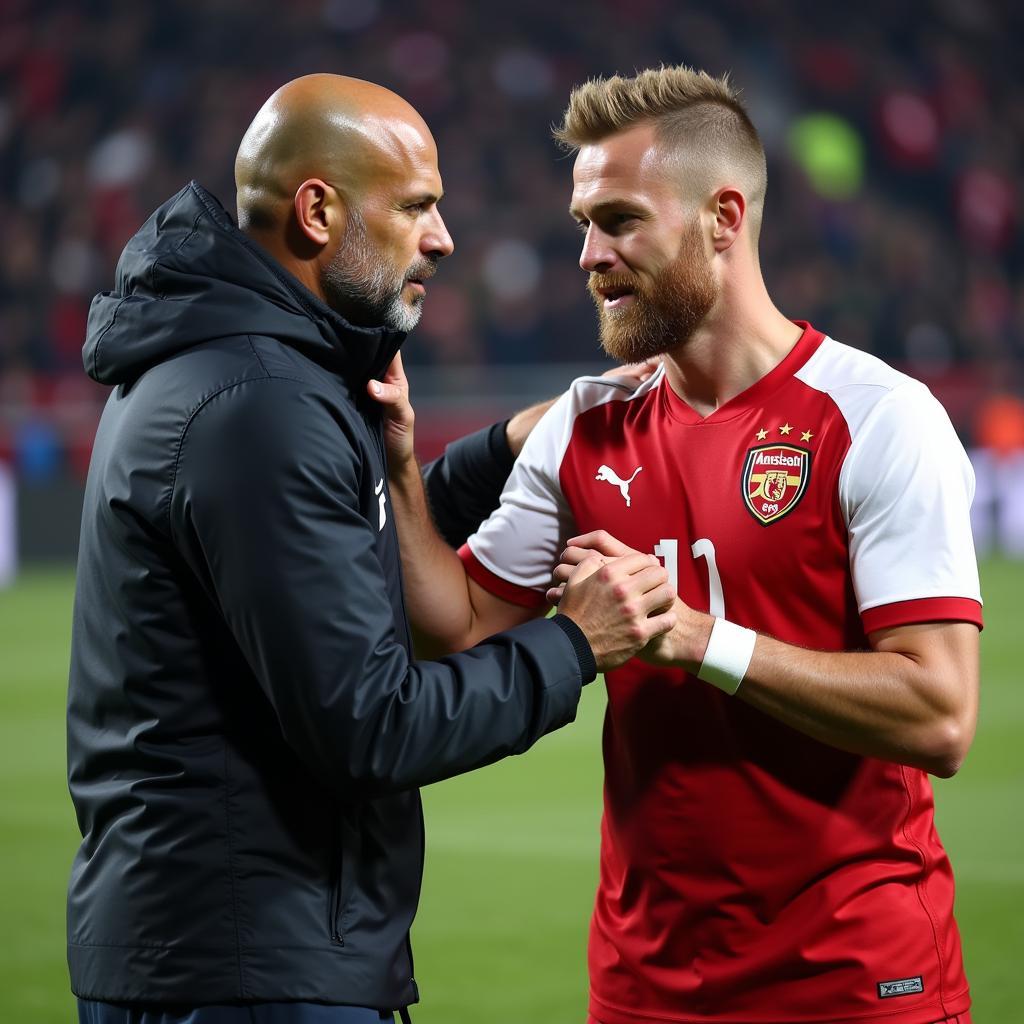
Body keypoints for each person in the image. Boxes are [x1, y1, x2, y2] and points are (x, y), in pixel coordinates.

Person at [374, 66, 982, 1024]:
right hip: (645, 985)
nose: (588, 255)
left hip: (853, 981)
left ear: (723, 218)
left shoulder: (879, 420)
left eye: (619, 220)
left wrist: (698, 640)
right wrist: (403, 465)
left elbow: (940, 714)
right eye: (582, 223)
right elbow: (454, 632)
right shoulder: (584, 425)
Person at [66, 73, 678, 1024]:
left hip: (213, 950)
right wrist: (573, 644)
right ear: (318, 211)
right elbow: (371, 726)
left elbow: (322, 560)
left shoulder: (223, 364)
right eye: (417, 207)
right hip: (249, 968)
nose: (442, 238)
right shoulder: (261, 404)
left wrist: (503, 446)